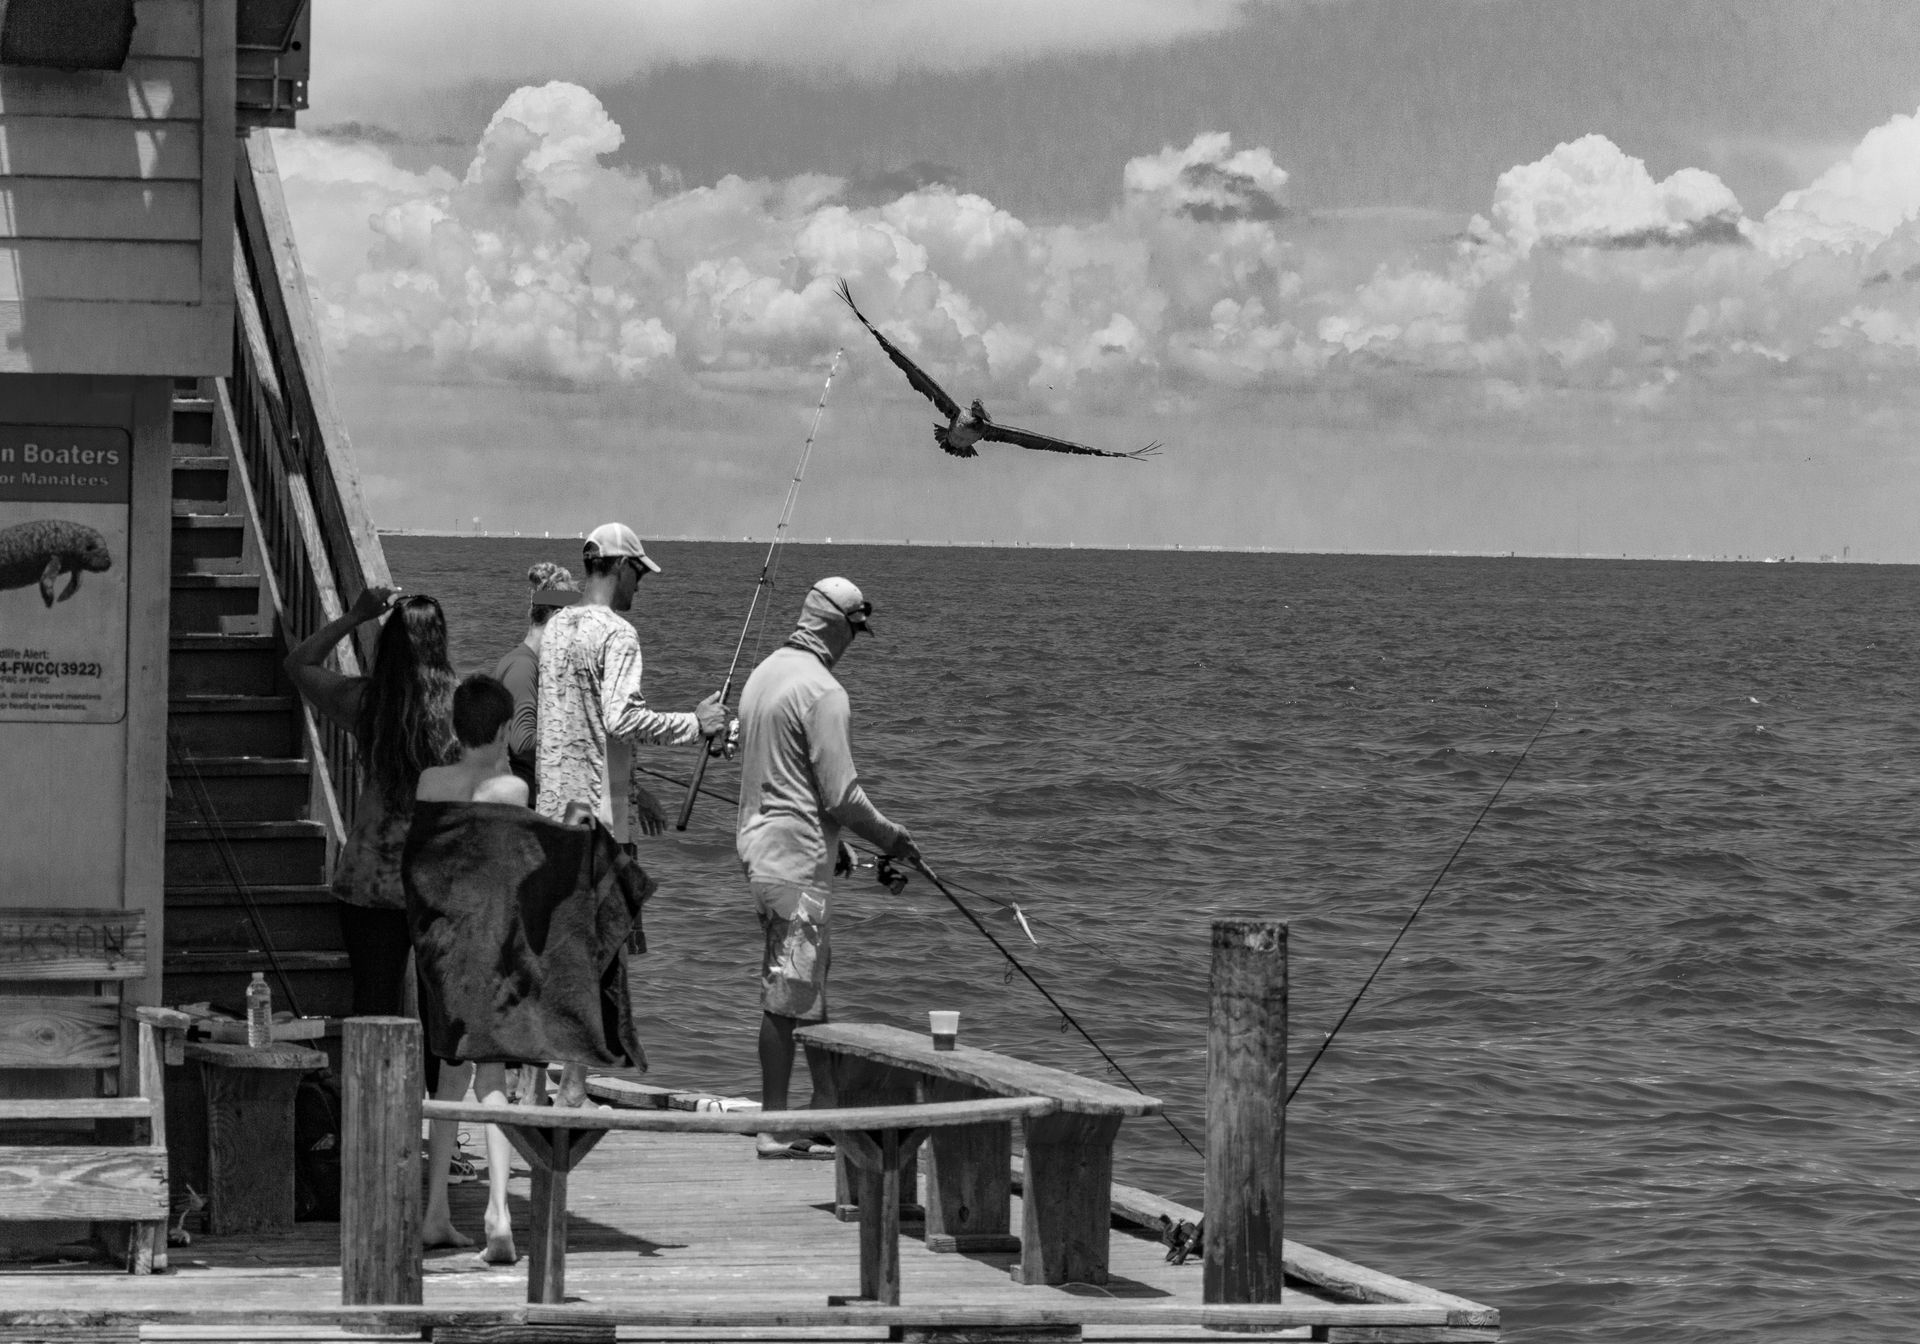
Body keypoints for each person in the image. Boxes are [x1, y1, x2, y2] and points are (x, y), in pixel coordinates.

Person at [534, 523, 727, 1103]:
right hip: (597, 825)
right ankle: (572, 1087)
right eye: (638, 573)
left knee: (549, 951)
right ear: (618, 568)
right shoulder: (619, 634)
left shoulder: (555, 628)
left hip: (550, 816)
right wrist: (698, 725)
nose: (640, 586)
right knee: (598, 955)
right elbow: (620, 719)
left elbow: (580, 725)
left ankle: (531, 1083)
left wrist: (636, 784)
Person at [734, 577, 918, 1159]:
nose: (854, 643)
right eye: (854, 631)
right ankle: (772, 1125)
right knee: (787, 997)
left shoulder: (764, 674)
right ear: (836, 624)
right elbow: (842, 796)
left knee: (804, 989)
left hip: (762, 853)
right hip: (795, 864)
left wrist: (836, 845)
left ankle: (822, 1113)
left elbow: (783, 772)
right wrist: (894, 838)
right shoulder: (824, 691)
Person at [285, 585, 455, 1017]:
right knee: (443, 1015)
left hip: (370, 880)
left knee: (374, 1007)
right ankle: (435, 1088)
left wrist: (355, 615)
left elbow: (299, 663)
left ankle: (369, 1086)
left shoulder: (368, 702)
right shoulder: (462, 706)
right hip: (438, 881)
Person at [412, 675, 527, 1261]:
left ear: (454, 728)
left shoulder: (430, 783)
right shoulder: (511, 788)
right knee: (494, 1080)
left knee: (449, 1076)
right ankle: (499, 1214)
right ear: (505, 729)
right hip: (492, 947)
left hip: (441, 948)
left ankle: (435, 1213)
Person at [491, 562, 579, 808]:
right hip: (521, 808)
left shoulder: (535, 664)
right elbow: (522, 742)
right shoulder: (522, 668)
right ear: (557, 618)